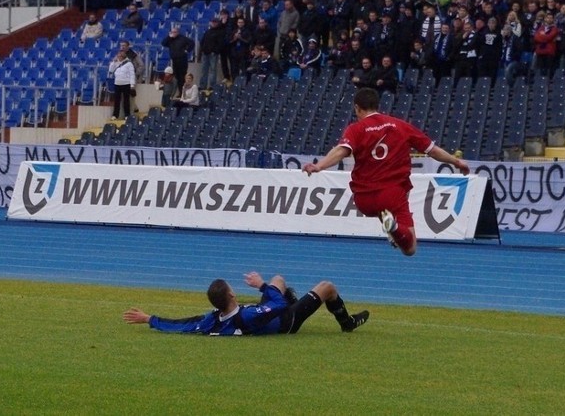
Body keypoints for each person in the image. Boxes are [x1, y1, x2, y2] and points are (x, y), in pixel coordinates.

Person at [302, 87, 470, 256]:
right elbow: (432, 150)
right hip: (391, 194)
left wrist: (319, 166)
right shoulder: (400, 125)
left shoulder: (356, 129)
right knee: (410, 248)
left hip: (363, 199)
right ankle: (396, 229)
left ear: (357, 108)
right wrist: (456, 161)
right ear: (377, 105)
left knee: (388, 212)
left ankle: (393, 228)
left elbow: (341, 150)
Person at [123, 271, 370, 335]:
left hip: (268, 312)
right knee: (327, 287)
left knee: (279, 280)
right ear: (231, 296)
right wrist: (261, 286)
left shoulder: (212, 321)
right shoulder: (249, 316)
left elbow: (184, 325)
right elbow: (279, 306)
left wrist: (150, 319)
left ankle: (288, 294)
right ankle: (347, 323)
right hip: (285, 320)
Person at [161, 27, 195, 94]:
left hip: (182, 59)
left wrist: (187, 50)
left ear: (178, 32)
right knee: (176, 77)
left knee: (182, 76)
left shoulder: (183, 38)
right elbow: (163, 43)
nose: (173, 33)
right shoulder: (170, 39)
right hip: (174, 60)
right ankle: (179, 92)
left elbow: (192, 43)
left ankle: (183, 92)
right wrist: (169, 37)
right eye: (172, 32)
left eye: (175, 32)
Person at [198, 17, 226, 91]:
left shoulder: (220, 32)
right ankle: (202, 85)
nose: (213, 23)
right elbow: (202, 41)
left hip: (213, 54)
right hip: (205, 53)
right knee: (204, 70)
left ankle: (212, 86)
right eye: (212, 22)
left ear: (217, 23)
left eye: (215, 22)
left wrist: (215, 51)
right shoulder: (208, 31)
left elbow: (220, 43)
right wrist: (203, 50)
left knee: (213, 70)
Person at [108, 50, 136, 120]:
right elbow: (111, 70)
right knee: (117, 100)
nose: (119, 57)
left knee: (126, 100)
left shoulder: (129, 64)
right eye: (118, 55)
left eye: (120, 56)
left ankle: (127, 115)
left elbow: (132, 74)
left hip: (126, 83)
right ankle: (115, 115)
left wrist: (132, 85)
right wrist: (113, 62)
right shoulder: (116, 63)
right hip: (117, 83)